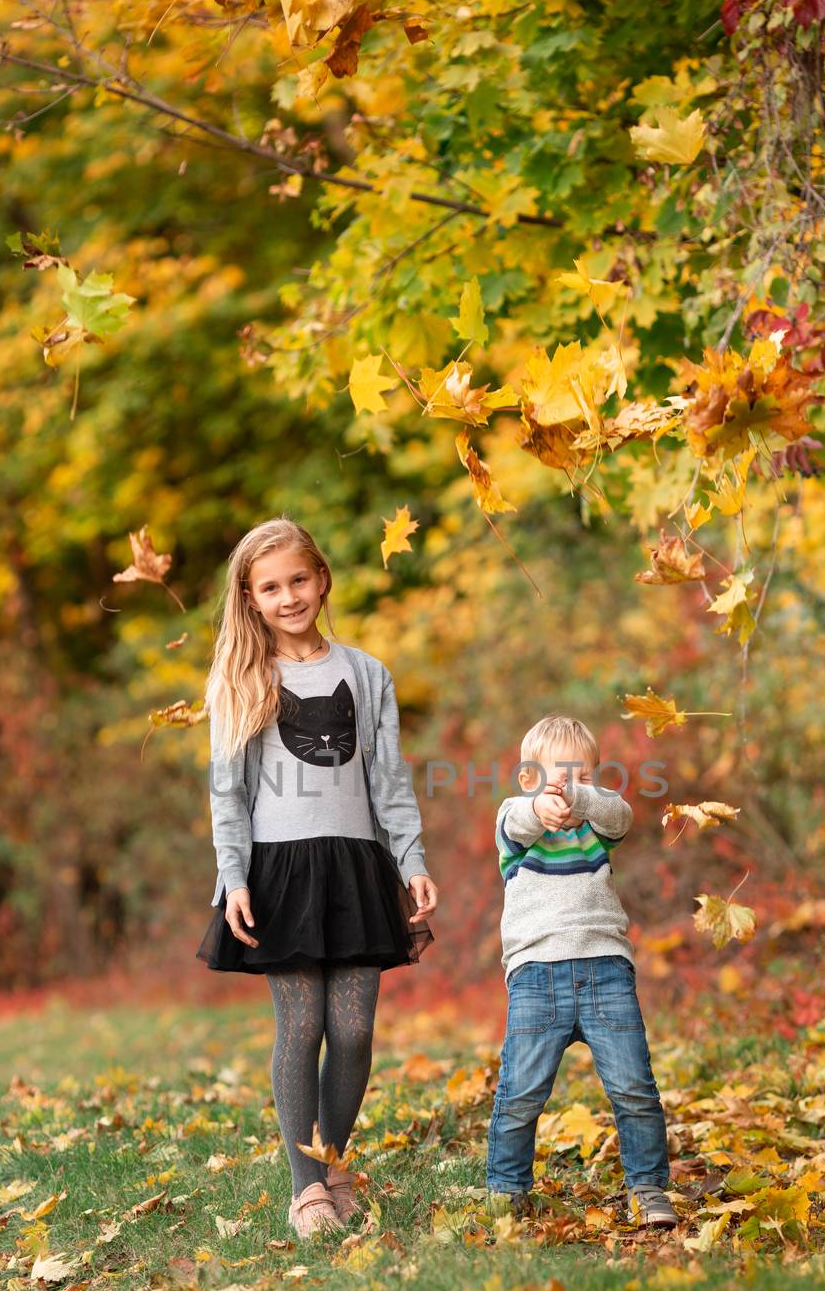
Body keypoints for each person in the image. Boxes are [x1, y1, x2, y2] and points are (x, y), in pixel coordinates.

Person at [196, 517, 438, 1239]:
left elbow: (389, 779)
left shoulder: (366, 673)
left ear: (322, 579)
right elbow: (227, 793)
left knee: (355, 1031)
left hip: (357, 864)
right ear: (250, 597)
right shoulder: (242, 678)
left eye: (298, 580)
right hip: (279, 869)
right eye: (270, 587)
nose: (288, 596)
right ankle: (308, 1192)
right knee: (301, 1028)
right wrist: (232, 877)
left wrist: (412, 860)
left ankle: (332, 1163)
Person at [486, 714, 676, 1228]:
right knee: (521, 1091)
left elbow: (621, 817)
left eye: (583, 776)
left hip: (605, 970)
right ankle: (507, 1190)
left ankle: (649, 1187)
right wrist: (541, 806)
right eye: (558, 778)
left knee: (634, 1087)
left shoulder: (596, 821)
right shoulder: (516, 816)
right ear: (529, 781)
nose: (571, 787)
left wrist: (584, 796)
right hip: (536, 975)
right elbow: (517, 823)